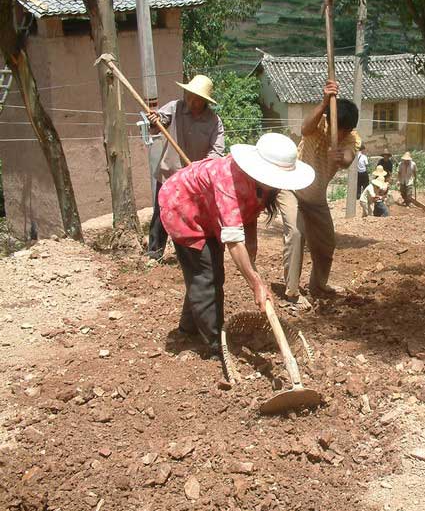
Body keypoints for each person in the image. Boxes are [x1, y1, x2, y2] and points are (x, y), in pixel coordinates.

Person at [159, 133, 315, 351]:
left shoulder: (262, 185)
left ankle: (188, 327)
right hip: (183, 211)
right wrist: (256, 283)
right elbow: (233, 240)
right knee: (208, 275)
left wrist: (252, 258)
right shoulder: (228, 180)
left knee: (204, 272)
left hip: (208, 212)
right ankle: (214, 344)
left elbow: (248, 217)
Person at [277, 80, 361, 309]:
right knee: (295, 234)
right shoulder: (318, 125)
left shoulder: (351, 138)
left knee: (326, 244)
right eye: (335, 125)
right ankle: (292, 293)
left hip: (316, 197)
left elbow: (348, 158)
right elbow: (304, 129)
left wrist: (341, 157)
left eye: (342, 129)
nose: (338, 131)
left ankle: (319, 285)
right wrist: (324, 102)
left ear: (349, 129)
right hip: (291, 188)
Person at [146, 75, 225, 260]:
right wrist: (154, 119)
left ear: (205, 101)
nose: (192, 101)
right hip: (169, 173)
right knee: (161, 214)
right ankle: (154, 253)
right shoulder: (175, 107)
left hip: (193, 181)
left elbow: (216, 153)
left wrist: (199, 171)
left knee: (188, 217)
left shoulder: (214, 122)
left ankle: (185, 255)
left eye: (197, 98)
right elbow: (159, 122)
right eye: (189, 96)